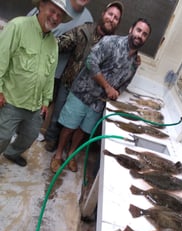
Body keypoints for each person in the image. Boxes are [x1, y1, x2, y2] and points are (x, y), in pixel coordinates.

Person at [50, 18, 151, 173]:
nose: (140, 35)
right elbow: (91, 61)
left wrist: (117, 92)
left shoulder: (134, 62)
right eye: (138, 30)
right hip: (83, 92)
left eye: (144, 34)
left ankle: (71, 154)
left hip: (99, 102)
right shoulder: (111, 42)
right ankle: (57, 155)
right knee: (69, 126)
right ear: (131, 29)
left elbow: (126, 82)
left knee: (82, 130)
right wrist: (107, 87)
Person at [44, 1, 124, 152]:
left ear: (118, 23)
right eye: (110, 14)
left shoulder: (115, 44)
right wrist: (43, 40)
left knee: (76, 125)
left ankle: (67, 149)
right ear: (103, 14)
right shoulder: (85, 29)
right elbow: (61, 43)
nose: (112, 19)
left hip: (88, 93)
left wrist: (135, 61)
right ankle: (51, 140)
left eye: (116, 18)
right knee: (57, 115)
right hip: (69, 82)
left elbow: (123, 58)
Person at [0, 0, 72, 167]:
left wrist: (46, 101)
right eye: (52, 11)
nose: (55, 17)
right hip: (11, 98)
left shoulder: (53, 44)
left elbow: (49, 76)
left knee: (31, 135)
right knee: (2, 136)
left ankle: (12, 153)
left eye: (59, 15)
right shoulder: (17, 26)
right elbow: (1, 59)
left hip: (34, 105)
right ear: (41, 6)